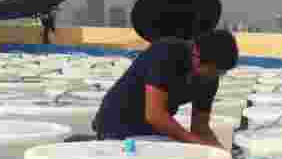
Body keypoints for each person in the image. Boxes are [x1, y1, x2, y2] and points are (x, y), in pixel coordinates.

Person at [94, 29, 239, 147]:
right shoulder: (167, 53)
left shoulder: (210, 78)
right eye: (213, 71)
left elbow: (200, 127)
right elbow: (154, 115)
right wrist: (195, 142)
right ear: (197, 56)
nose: (216, 76)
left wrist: (222, 154)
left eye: (221, 73)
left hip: (152, 129)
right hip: (116, 122)